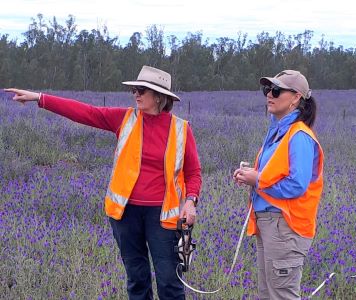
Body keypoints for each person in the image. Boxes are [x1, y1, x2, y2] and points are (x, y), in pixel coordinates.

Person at [5, 65, 202, 300]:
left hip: (163, 217)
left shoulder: (181, 129)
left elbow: (194, 172)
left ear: (159, 97)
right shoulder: (124, 118)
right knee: (137, 281)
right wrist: (40, 98)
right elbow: (85, 112)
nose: (135, 94)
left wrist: (190, 202)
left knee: (170, 283)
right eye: (134, 90)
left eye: (141, 90)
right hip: (125, 214)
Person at [233, 70, 324, 300]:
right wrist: (250, 177)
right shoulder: (277, 134)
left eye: (276, 91)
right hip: (270, 225)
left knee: (281, 295)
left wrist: (258, 180)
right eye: (267, 90)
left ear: (295, 98)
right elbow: (273, 176)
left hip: (286, 226)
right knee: (268, 294)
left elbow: (297, 184)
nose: (269, 96)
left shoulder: (299, 135)